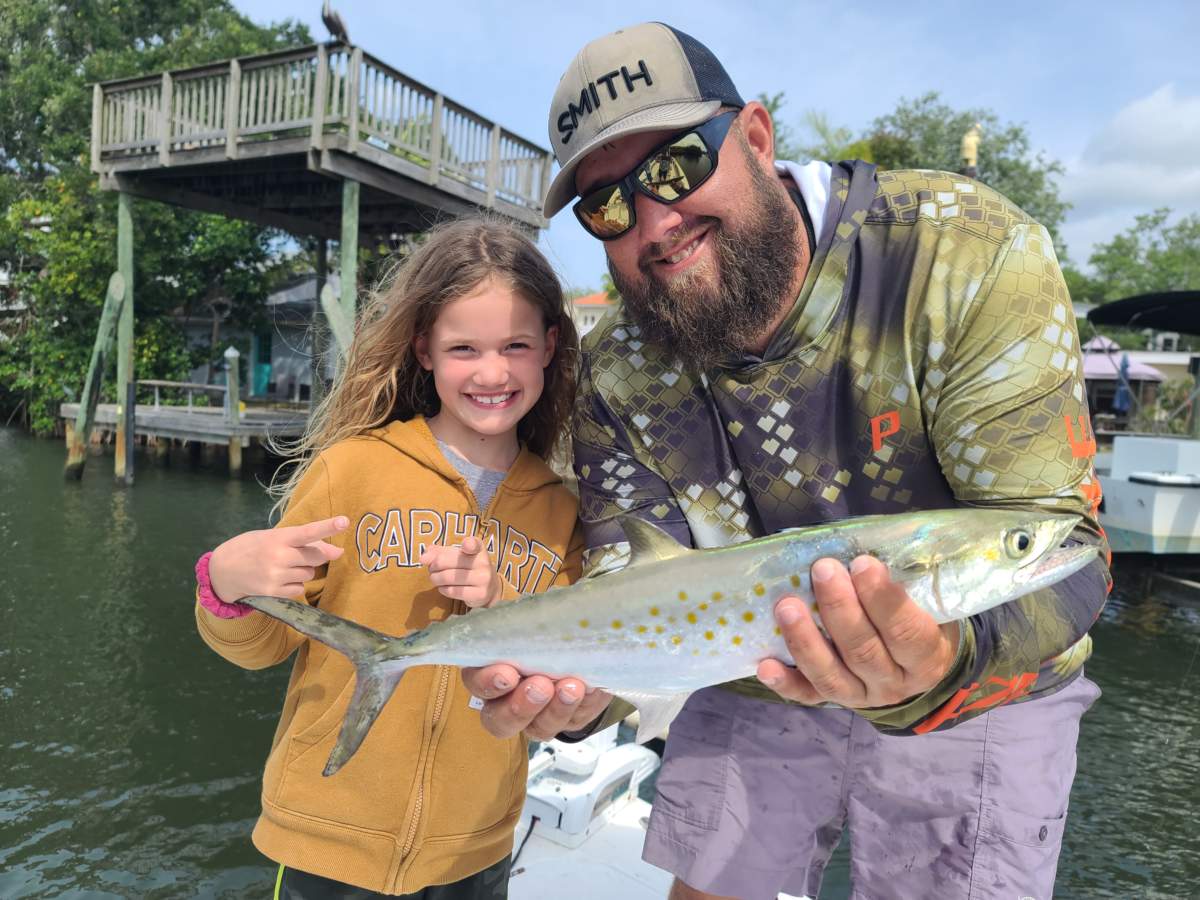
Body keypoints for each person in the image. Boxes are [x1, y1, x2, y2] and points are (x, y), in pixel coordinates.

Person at [461, 22, 1110, 900]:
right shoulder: (615, 369)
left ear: (757, 138)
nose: (655, 221)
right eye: (607, 206)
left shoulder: (970, 256)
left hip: (985, 686)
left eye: (677, 165)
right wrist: (586, 699)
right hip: (745, 674)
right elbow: (632, 577)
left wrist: (940, 660)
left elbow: (1064, 556)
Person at [192, 217, 585, 899]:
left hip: (472, 853)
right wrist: (225, 582)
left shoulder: (562, 513)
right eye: (464, 347)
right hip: (325, 838)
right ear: (424, 349)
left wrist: (502, 607)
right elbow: (265, 646)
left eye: (515, 346)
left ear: (549, 347)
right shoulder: (352, 469)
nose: (492, 372)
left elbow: (566, 675)